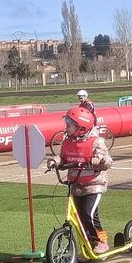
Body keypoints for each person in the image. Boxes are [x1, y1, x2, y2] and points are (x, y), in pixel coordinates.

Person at [49, 107, 113, 253]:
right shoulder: (67, 142)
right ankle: (88, 244)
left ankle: (101, 242)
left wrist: (99, 159)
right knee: (79, 217)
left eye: (69, 125)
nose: (66, 128)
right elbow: (64, 158)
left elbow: (108, 161)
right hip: (76, 185)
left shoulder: (95, 142)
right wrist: (55, 161)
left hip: (94, 184)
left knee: (88, 214)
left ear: (81, 127)